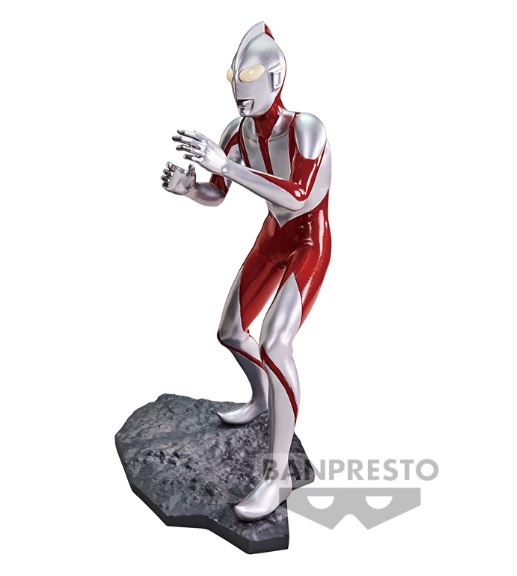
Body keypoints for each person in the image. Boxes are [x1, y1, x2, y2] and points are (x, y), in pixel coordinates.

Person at [161, 21, 331, 521]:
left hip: (309, 240)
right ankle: (261, 399)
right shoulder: (235, 133)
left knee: (276, 342)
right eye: (234, 75)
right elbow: (217, 193)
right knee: (231, 332)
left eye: (251, 75)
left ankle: (277, 477)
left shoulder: (306, 128)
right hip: (273, 236)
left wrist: (227, 167)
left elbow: (298, 196)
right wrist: (190, 189)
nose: (239, 86)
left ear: (276, 78)